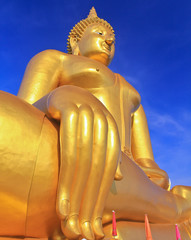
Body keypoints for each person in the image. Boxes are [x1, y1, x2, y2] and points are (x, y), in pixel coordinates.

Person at [0, 7, 191, 240]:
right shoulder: (56, 59)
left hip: (125, 172)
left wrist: (153, 173)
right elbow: (25, 115)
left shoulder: (133, 95)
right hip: (72, 150)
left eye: (112, 38)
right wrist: (59, 96)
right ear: (75, 40)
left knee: (165, 204)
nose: (109, 40)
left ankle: (174, 214)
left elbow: (145, 159)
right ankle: (174, 219)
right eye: (100, 33)